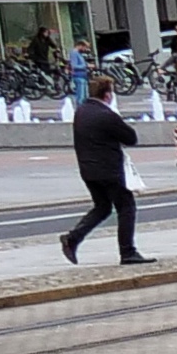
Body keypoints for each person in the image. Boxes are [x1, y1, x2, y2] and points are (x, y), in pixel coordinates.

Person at [57, 81, 143, 268]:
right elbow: (131, 138)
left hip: (88, 170)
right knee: (126, 207)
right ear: (107, 94)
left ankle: (73, 238)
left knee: (103, 207)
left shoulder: (81, 112)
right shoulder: (107, 115)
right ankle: (128, 251)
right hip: (109, 171)